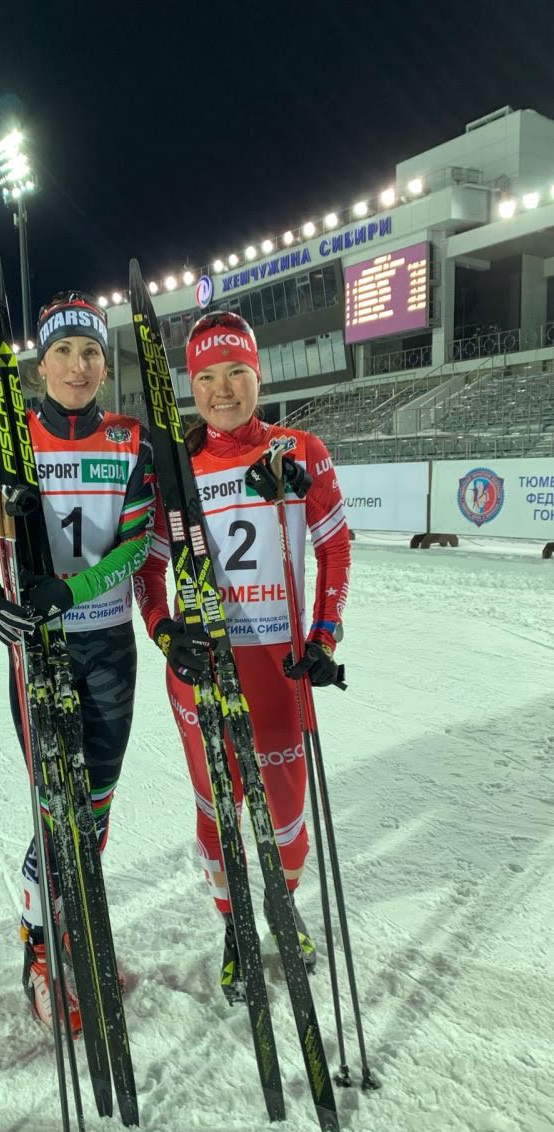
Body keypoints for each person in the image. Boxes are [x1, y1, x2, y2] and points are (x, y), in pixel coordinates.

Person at [135, 310, 350, 1000]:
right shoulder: (174, 467)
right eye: (205, 377)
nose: (221, 389)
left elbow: (334, 544)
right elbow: (149, 570)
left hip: (278, 666)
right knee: (217, 806)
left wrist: (323, 635)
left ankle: (282, 904)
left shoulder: (299, 450)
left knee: (288, 817)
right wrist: (165, 633)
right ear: (189, 384)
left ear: (259, 375)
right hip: (203, 667)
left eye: (236, 373)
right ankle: (235, 926)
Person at [0, 291, 155, 1030]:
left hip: (107, 643)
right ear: (40, 365)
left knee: (95, 807)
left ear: (105, 364)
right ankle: (40, 947)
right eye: (64, 352)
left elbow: (135, 546)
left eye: (92, 352)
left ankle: (74, 925)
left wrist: (70, 589)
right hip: (38, 650)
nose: (79, 366)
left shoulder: (130, 442)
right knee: (55, 807)